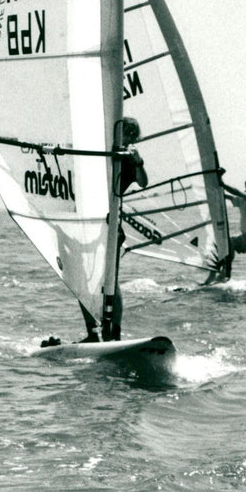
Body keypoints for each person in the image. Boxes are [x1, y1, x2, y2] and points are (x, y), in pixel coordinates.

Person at [80, 116, 148, 343]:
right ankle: (93, 333)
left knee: (111, 278)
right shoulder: (103, 153)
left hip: (110, 225)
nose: (128, 139)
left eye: (131, 135)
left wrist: (137, 161)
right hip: (88, 223)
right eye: (125, 134)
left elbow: (143, 182)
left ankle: (114, 332)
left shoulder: (128, 160)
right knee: (82, 278)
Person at [203, 175, 246, 283]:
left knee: (230, 242)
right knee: (222, 245)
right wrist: (217, 192)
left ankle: (226, 274)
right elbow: (232, 198)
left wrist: (222, 182)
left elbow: (237, 193)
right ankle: (212, 276)